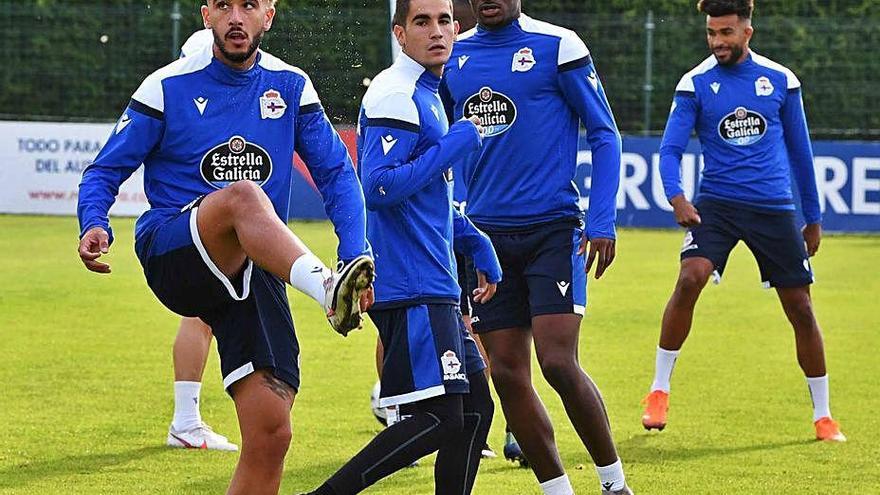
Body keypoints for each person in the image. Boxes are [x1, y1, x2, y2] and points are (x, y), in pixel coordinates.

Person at [77, 1, 375, 494]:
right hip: (173, 249)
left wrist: (354, 247)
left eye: (249, 6)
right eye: (224, 5)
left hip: (253, 271)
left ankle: (330, 285)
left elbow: (338, 173)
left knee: (271, 431)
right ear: (206, 15)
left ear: (269, 17)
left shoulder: (291, 86)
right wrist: (94, 222)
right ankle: (327, 290)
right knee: (243, 196)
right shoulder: (167, 84)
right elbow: (105, 169)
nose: (237, 17)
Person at [300, 0, 501, 493]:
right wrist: (454, 145)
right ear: (400, 33)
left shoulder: (430, 92)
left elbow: (430, 195)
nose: (437, 31)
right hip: (411, 282)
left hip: (435, 278)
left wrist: (475, 241)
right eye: (422, 21)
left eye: (445, 20)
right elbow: (381, 186)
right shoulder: (396, 92)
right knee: (441, 418)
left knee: (475, 408)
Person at [441, 1, 632, 494]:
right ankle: (557, 490)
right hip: (485, 239)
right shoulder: (452, 57)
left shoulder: (559, 45)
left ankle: (613, 484)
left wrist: (603, 218)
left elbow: (605, 133)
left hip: (553, 228)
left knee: (557, 363)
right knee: (506, 374)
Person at [641, 0, 845, 443]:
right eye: (712, 33)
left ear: (747, 33)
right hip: (716, 204)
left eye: (726, 33)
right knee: (690, 277)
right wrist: (676, 196)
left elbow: (801, 155)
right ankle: (659, 389)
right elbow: (670, 150)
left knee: (801, 308)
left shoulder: (780, 80)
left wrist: (812, 218)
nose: (717, 42)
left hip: (773, 207)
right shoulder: (695, 83)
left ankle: (824, 414)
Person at [165, 29, 237, 454]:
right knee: (201, 315)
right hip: (201, 214)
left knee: (204, 316)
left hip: (201, 212)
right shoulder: (196, 83)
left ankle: (187, 419)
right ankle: (186, 421)